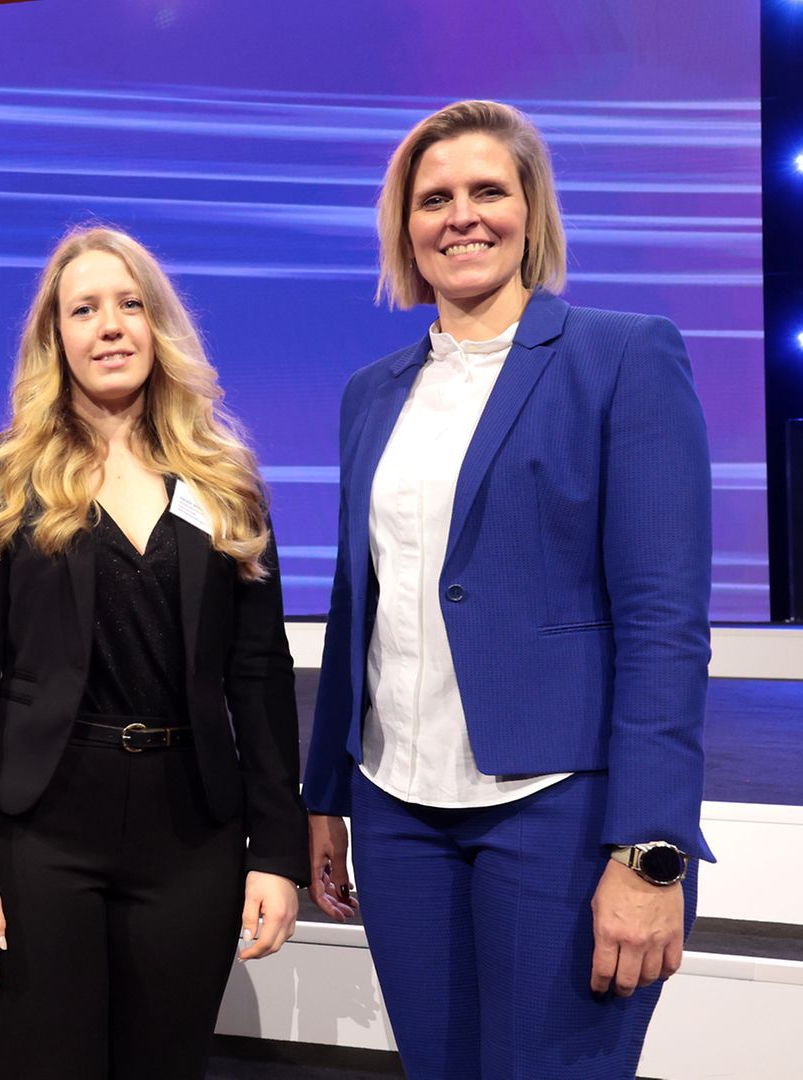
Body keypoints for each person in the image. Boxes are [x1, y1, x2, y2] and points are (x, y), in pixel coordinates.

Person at [302, 99, 711, 1078]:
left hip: (558, 813)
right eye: (433, 197)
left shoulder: (623, 357)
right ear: (406, 226)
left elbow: (663, 624)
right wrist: (325, 793)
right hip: (397, 811)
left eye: (488, 190)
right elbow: (363, 604)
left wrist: (651, 850)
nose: (462, 216)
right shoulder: (373, 393)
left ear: (533, 210)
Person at [0, 225, 306, 1079]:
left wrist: (277, 854)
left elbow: (259, 675)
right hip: (41, 836)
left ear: (158, 326)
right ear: (55, 338)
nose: (109, 326)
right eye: (85, 309)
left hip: (192, 838)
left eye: (129, 305)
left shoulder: (226, 479)